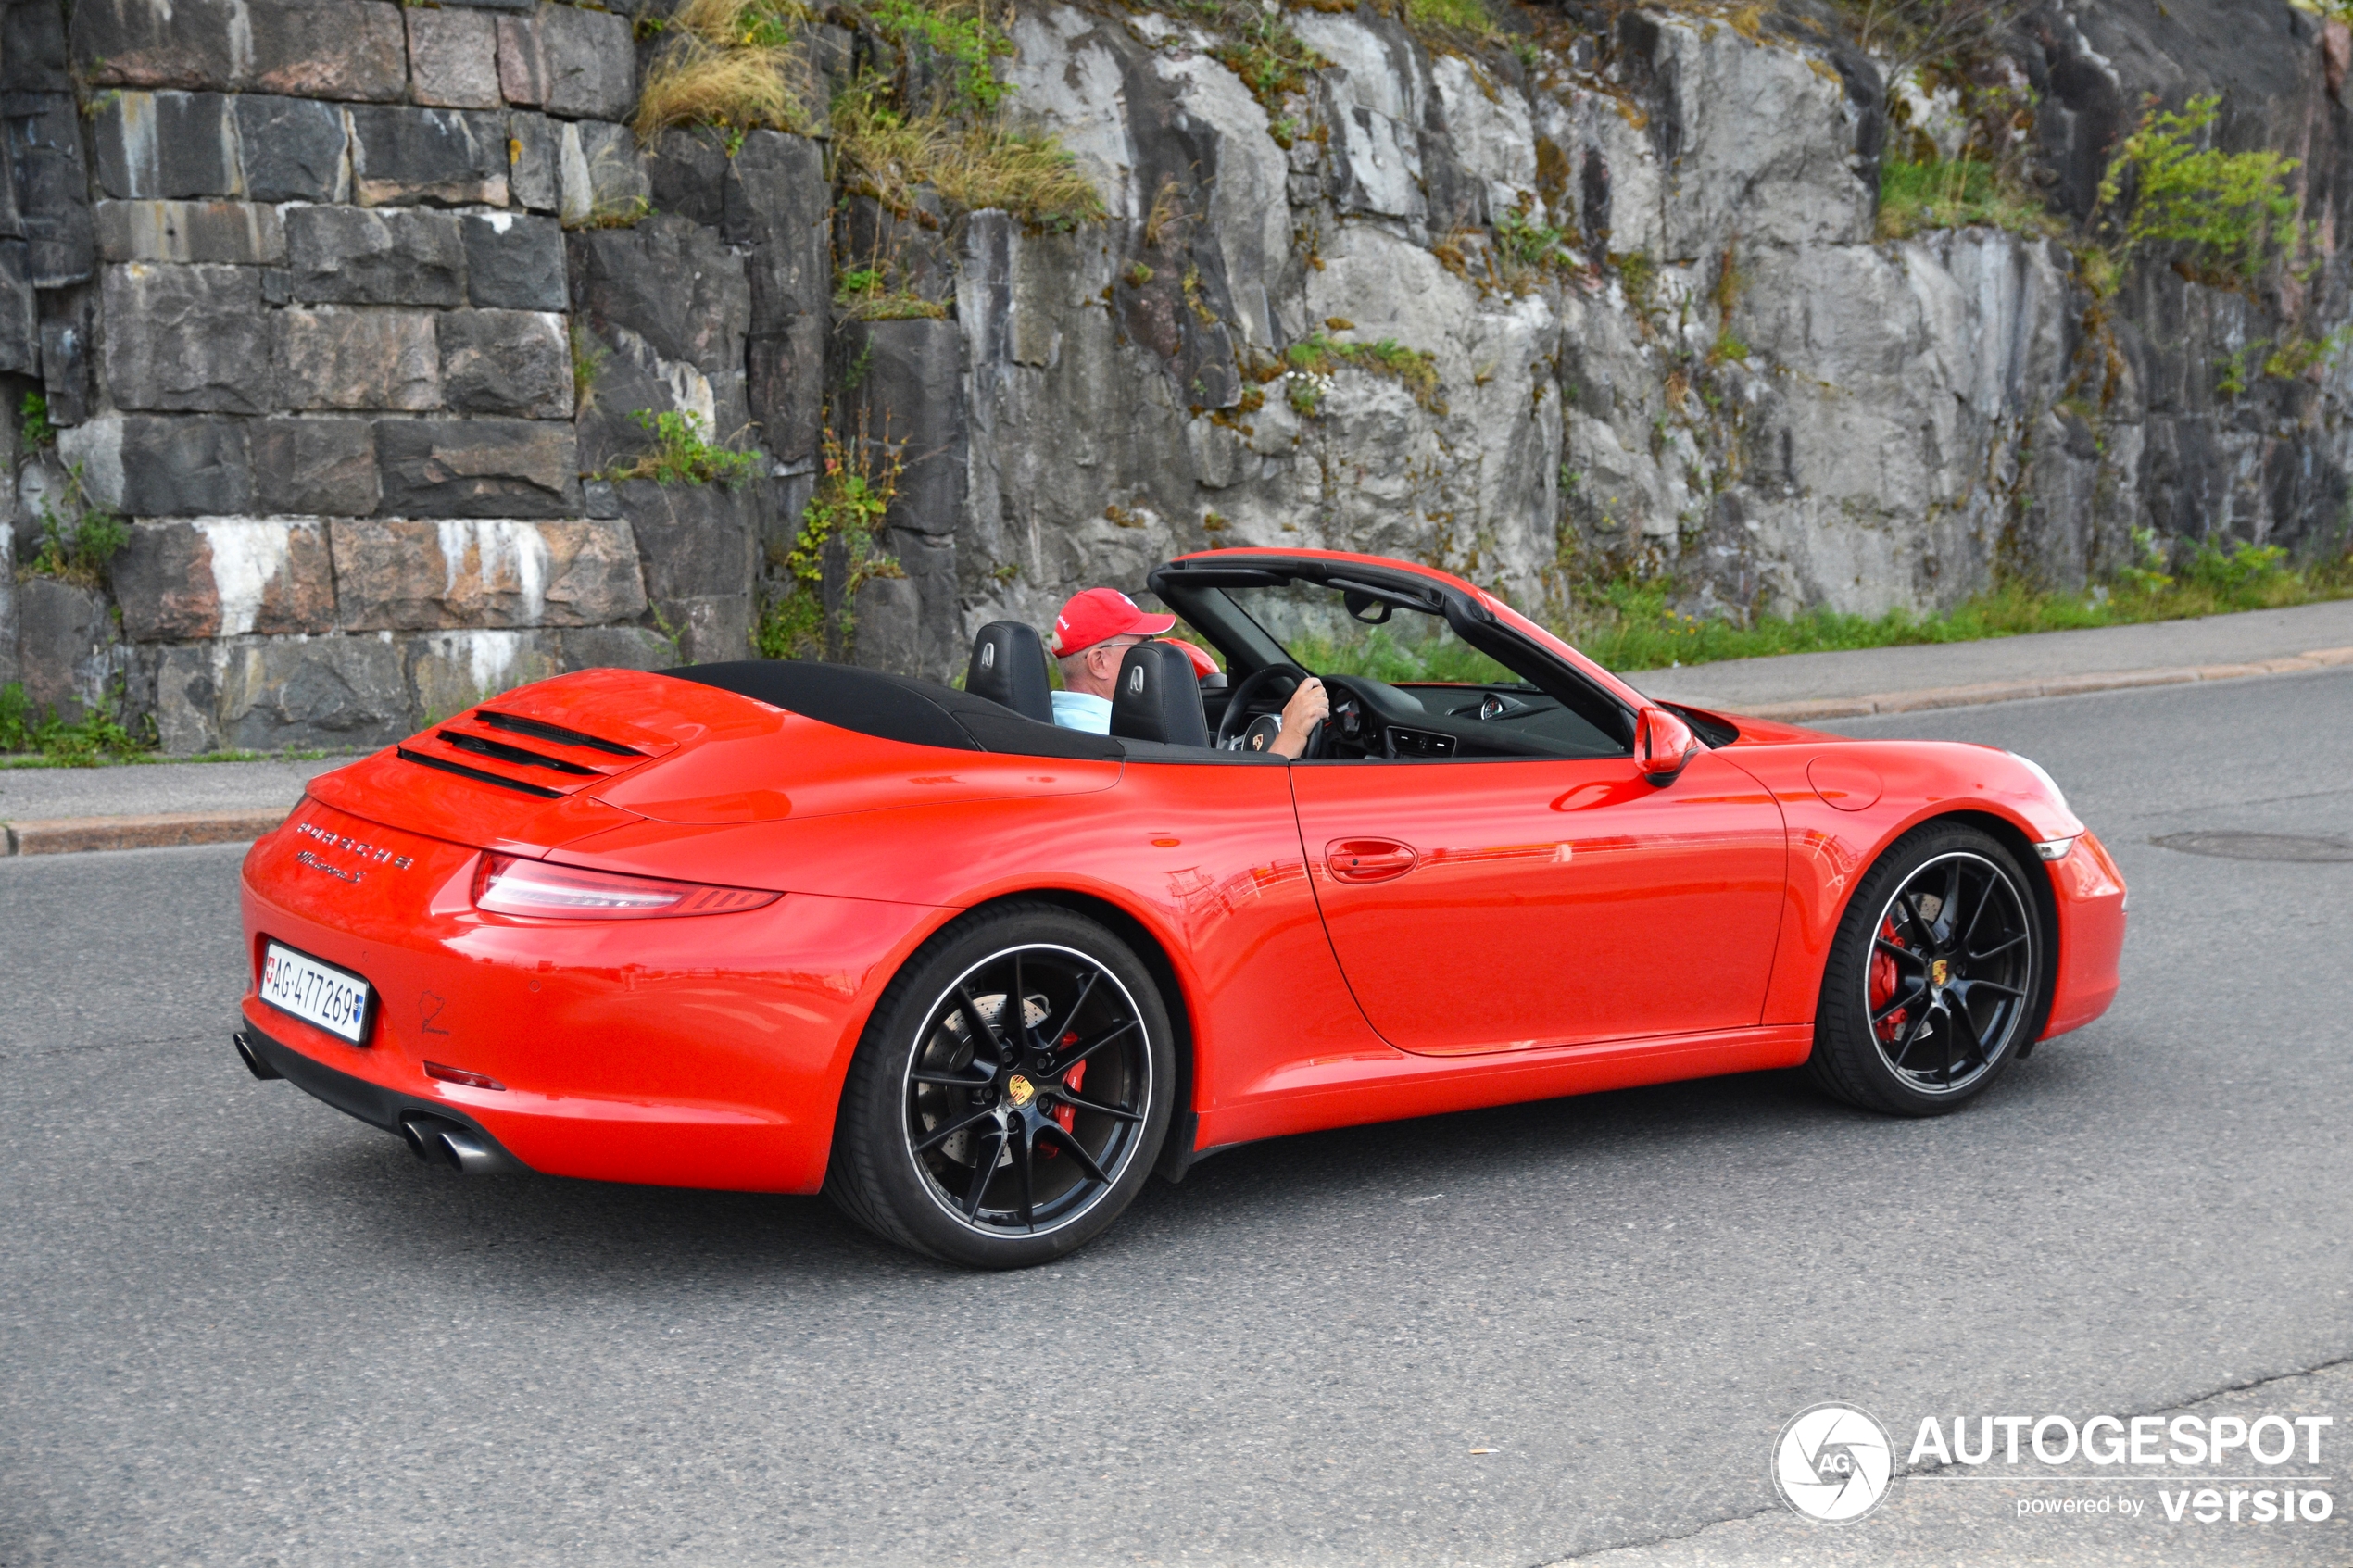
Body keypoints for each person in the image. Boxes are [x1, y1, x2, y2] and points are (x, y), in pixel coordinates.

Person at [1048, 586, 1328, 758]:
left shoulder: (1052, 717)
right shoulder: (1111, 743)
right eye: (1143, 646)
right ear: (1099, 663)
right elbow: (1218, 810)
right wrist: (1291, 735)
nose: (1151, 654)